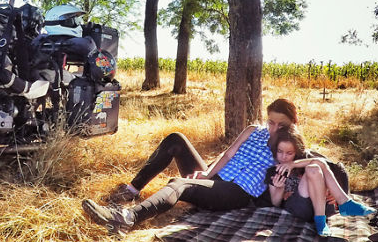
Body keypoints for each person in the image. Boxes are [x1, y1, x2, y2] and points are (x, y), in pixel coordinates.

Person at [81, 99, 299, 233]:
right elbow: (228, 153)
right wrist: (206, 174)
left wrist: (327, 190)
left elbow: (316, 163)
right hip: (216, 180)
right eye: (271, 121)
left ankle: (128, 218)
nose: (274, 128)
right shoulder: (253, 130)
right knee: (176, 139)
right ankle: (132, 190)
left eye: (281, 124)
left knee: (180, 184)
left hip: (237, 192)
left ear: (292, 124)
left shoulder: (291, 146)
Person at [264, 126, 375, 237]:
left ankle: (332, 210)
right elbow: (275, 203)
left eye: (289, 153)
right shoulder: (274, 171)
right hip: (299, 209)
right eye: (280, 151)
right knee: (314, 167)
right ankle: (344, 204)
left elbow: (322, 162)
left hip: (322, 207)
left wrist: (293, 164)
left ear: (296, 152)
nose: (284, 157)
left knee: (313, 168)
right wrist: (279, 189)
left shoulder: (302, 162)